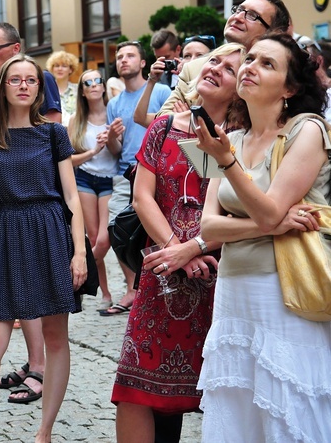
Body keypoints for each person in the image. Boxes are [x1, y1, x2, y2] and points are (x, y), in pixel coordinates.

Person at [196, 33, 331, 442]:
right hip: (234, 290)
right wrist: (271, 224)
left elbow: (270, 209)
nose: (251, 66)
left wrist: (228, 165)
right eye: (250, 58)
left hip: (284, 290)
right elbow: (207, 228)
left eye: (267, 63)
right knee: (239, 413)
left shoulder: (308, 131)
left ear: (290, 88)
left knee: (286, 410)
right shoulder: (229, 137)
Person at [111, 43, 246, 443]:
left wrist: (196, 249)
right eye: (214, 60)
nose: (214, 68)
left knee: (219, 396)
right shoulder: (164, 127)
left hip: (221, 280)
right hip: (162, 274)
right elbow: (142, 197)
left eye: (228, 68)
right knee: (138, 392)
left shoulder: (243, 139)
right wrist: (177, 251)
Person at [0, 54, 87, 443]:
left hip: (49, 233)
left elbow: (72, 197)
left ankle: (43, 432)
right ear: (3, 87)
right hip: (7, 236)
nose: (24, 85)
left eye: (31, 80)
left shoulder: (53, 134)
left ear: (39, 88)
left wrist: (78, 252)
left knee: (55, 337)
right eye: (16, 80)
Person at [0, 22, 62, 404]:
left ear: (16, 47)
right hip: (6, 206)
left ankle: (39, 367)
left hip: (40, 205)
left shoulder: (40, 79)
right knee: (17, 296)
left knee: (37, 294)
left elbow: (51, 139)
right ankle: (33, 362)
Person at [101, 41, 171, 316]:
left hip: (156, 172)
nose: (123, 60)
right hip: (125, 172)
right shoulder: (115, 103)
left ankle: (158, 286)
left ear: (143, 63)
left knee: (156, 229)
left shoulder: (162, 91)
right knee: (117, 230)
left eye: (130, 56)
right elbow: (116, 149)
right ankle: (133, 289)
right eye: (119, 57)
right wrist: (111, 139)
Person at [159, 0, 291, 114]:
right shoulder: (194, 69)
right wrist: (188, 123)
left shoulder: (280, 77)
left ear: (274, 33)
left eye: (252, 16)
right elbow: (162, 122)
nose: (238, 17)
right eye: (238, 10)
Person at [67, 69, 118, 310]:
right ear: (83, 91)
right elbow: (68, 160)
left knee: (108, 239)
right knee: (95, 237)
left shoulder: (114, 113)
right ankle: (105, 293)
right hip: (86, 179)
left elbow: (119, 152)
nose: (94, 85)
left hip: (111, 179)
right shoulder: (75, 121)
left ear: (105, 86)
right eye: (88, 83)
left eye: (99, 80)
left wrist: (111, 140)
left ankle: (81, 273)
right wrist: (93, 151)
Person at [46, 50, 80, 125]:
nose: (60, 69)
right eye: (57, 66)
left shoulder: (78, 90)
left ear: (70, 69)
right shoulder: (47, 91)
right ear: (52, 69)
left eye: (64, 66)